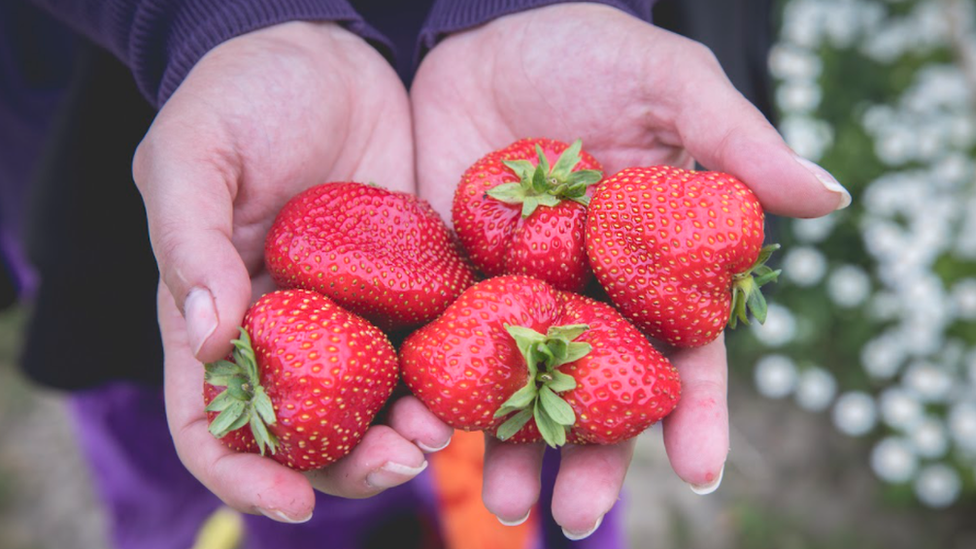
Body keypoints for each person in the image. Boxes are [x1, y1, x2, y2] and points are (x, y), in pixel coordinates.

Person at [0, 1, 852, 548]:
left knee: (532, 473)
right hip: (122, 115)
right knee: (176, 394)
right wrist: (213, 16)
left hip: (539, 130)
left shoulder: (541, 303)